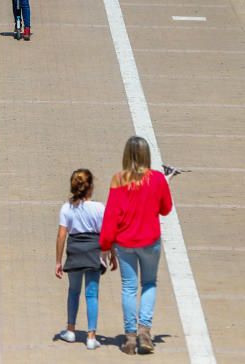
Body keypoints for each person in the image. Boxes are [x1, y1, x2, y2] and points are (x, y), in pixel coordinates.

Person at [99, 137, 173, 355]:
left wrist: (105, 244)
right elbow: (166, 209)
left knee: (128, 287)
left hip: (124, 243)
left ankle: (130, 336)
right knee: (149, 283)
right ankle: (145, 331)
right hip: (150, 241)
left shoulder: (118, 180)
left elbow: (111, 215)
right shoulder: (158, 179)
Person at [55, 169, 116, 351]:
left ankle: (70, 330)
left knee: (73, 291)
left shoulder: (67, 207)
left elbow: (61, 235)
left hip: (74, 252)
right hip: (93, 252)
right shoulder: (99, 208)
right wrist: (112, 254)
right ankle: (91, 336)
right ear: (90, 187)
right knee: (92, 294)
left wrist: (58, 261)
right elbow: (106, 234)